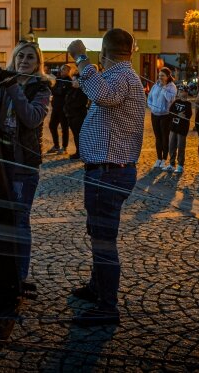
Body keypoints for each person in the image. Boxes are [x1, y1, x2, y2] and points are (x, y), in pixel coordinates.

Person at [66, 28, 146, 326]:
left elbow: (103, 95)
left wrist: (80, 57)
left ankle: (107, 306)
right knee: (98, 233)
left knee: (103, 240)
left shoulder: (120, 76)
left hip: (110, 172)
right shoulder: (124, 75)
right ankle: (97, 286)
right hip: (108, 170)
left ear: (104, 53)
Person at [0, 41, 50, 293]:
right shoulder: (3, 85)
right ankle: (1, 273)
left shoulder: (41, 88)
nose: (24, 60)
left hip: (24, 165)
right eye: (20, 56)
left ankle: (20, 277)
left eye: (30, 58)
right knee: (2, 220)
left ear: (37, 64)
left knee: (20, 221)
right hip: (1, 162)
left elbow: (32, 118)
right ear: (13, 59)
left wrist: (14, 87)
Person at [147, 67, 177, 169]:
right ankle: (158, 158)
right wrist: (152, 107)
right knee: (158, 137)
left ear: (168, 76)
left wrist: (164, 88)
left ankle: (164, 159)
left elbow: (171, 100)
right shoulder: (155, 85)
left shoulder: (171, 87)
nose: (160, 77)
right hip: (154, 114)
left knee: (165, 137)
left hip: (165, 115)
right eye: (159, 75)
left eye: (162, 76)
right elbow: (149, 98)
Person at [63, 64, 90, 160]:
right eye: (73, 79)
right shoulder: (71, 90)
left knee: (80, 136)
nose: (73, 82)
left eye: (75, 80)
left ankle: (81, 153)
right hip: (71, 116)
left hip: (78, 116)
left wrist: (70, 107)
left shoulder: (82, 91)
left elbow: (81, 103)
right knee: (76, 135)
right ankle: (78, 152)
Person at [166, 85, 192, 173]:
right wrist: (177, 114)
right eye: (179, 91)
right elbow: (170, 112)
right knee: (171, 146)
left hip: (182, 129)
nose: (180, 93)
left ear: (186, 92)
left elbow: (188, 115)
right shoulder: (176, 101)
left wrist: (179, 115)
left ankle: (180, 165)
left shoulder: (188, 104)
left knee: (181, 147)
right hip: (173, 127)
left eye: (181, 91)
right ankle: (171, 164)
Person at [45, 66, 70, 155]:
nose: (61, 70)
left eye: (64, 69)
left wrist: (55, 90)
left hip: (63, 108)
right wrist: (54, 89)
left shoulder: (69, 81)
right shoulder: (58, 79)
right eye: (61, 69)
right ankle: (56, 145)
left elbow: (61, 92)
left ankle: (64, 147)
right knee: (52, 125)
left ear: (69, 71)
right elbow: (54, 90)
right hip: (55, 107)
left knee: (64, 128)